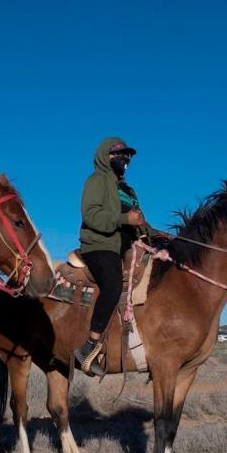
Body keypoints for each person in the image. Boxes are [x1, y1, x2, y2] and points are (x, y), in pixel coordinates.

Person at [73, 137, 158, 376]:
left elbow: (139, 221)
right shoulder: (96, 180)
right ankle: (89, 346)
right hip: (100, 245)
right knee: (111, 285)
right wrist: (123, 219)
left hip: (125, 246)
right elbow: (90, 215)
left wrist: (156, 234)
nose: (126, 159)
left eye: (128, 155)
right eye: (121, 154)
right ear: (106, 156)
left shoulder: (128, 190)